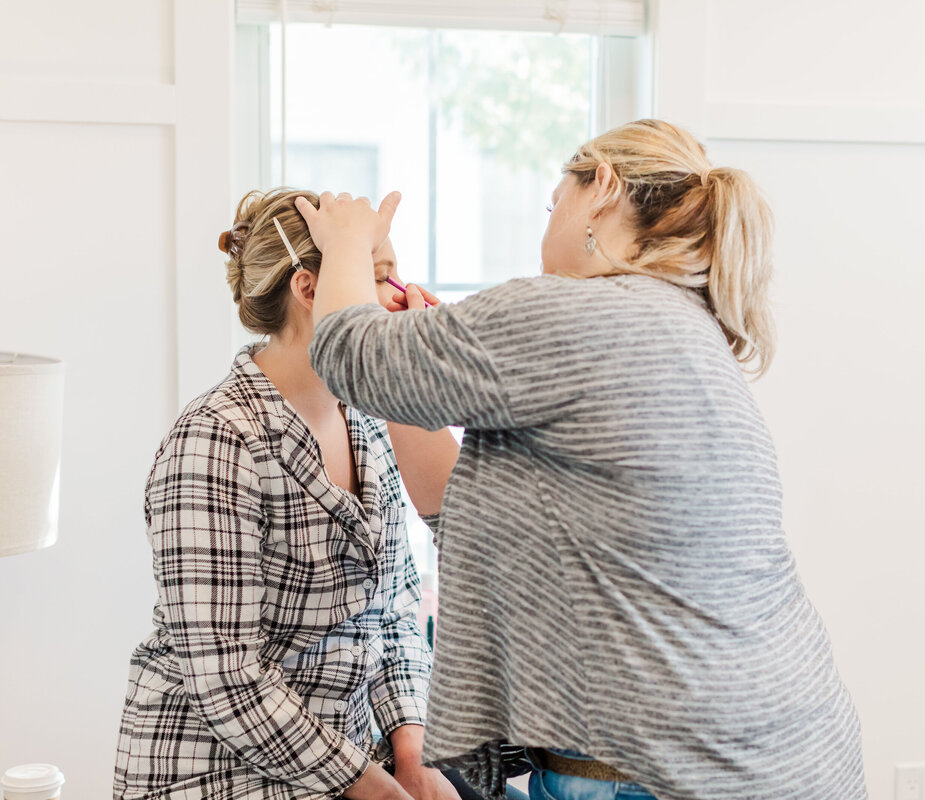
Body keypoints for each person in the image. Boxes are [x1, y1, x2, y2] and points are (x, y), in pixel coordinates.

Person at [300, 120, 868, 800]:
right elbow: (471, 517)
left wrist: (346, 247)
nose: (549, 225)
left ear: (600, 187)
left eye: (551, 204)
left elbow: (347, 353)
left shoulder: (578, 311)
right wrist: (423, 375)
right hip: (779, 752)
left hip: (662, 774)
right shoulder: (683, 325)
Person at [112, 188, 470, 800]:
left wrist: (412, 747)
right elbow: (228, 681)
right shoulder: (215, 440)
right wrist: (375, 788)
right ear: (311, 291)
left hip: (354, 752)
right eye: (381, 277)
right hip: (219, 768)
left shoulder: (368, 417)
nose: (404, 296)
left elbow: (396, 614)